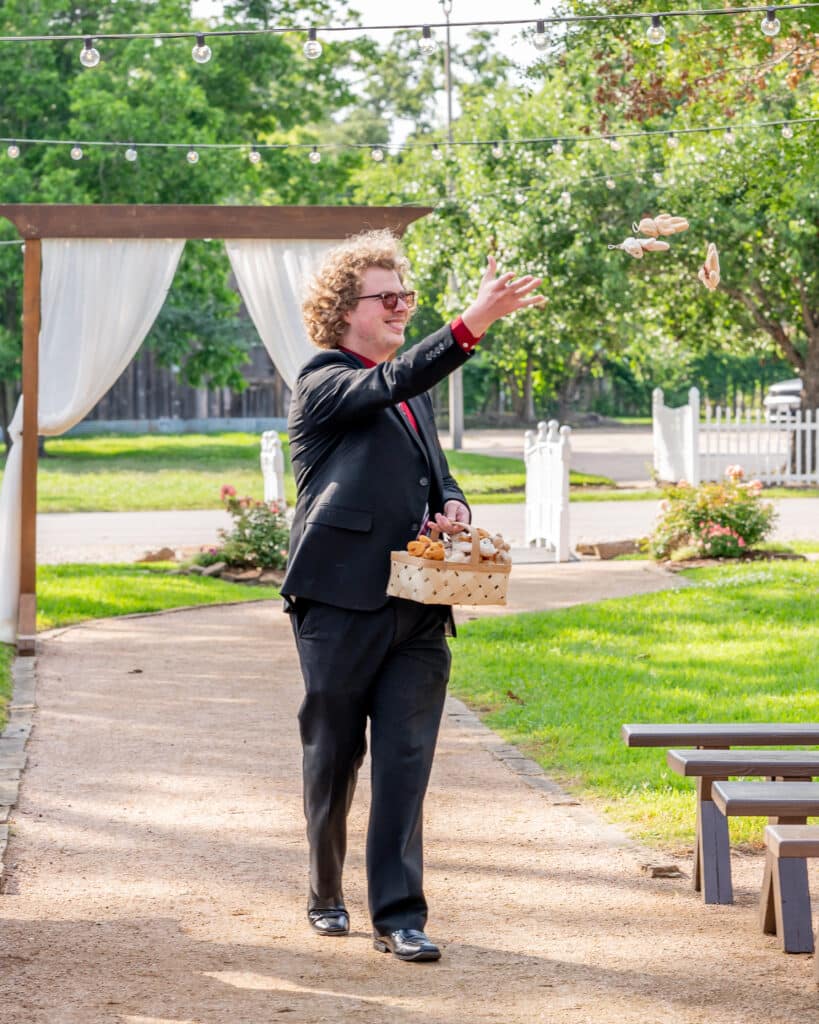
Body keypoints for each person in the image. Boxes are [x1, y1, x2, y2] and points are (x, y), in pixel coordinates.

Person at [282, 229, 543, 962]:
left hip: (420, 605)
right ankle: (324, 890)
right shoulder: (325, 381)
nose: (401, 306)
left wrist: (453, 506)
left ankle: (399, 915)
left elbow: (438, 473)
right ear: (343, 310)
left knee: (404, 758)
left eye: (408, 296)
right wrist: (469, 324)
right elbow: (387, 384)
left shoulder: (410, 398)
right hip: (337, 604)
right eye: (386, 296)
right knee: (334, 756)